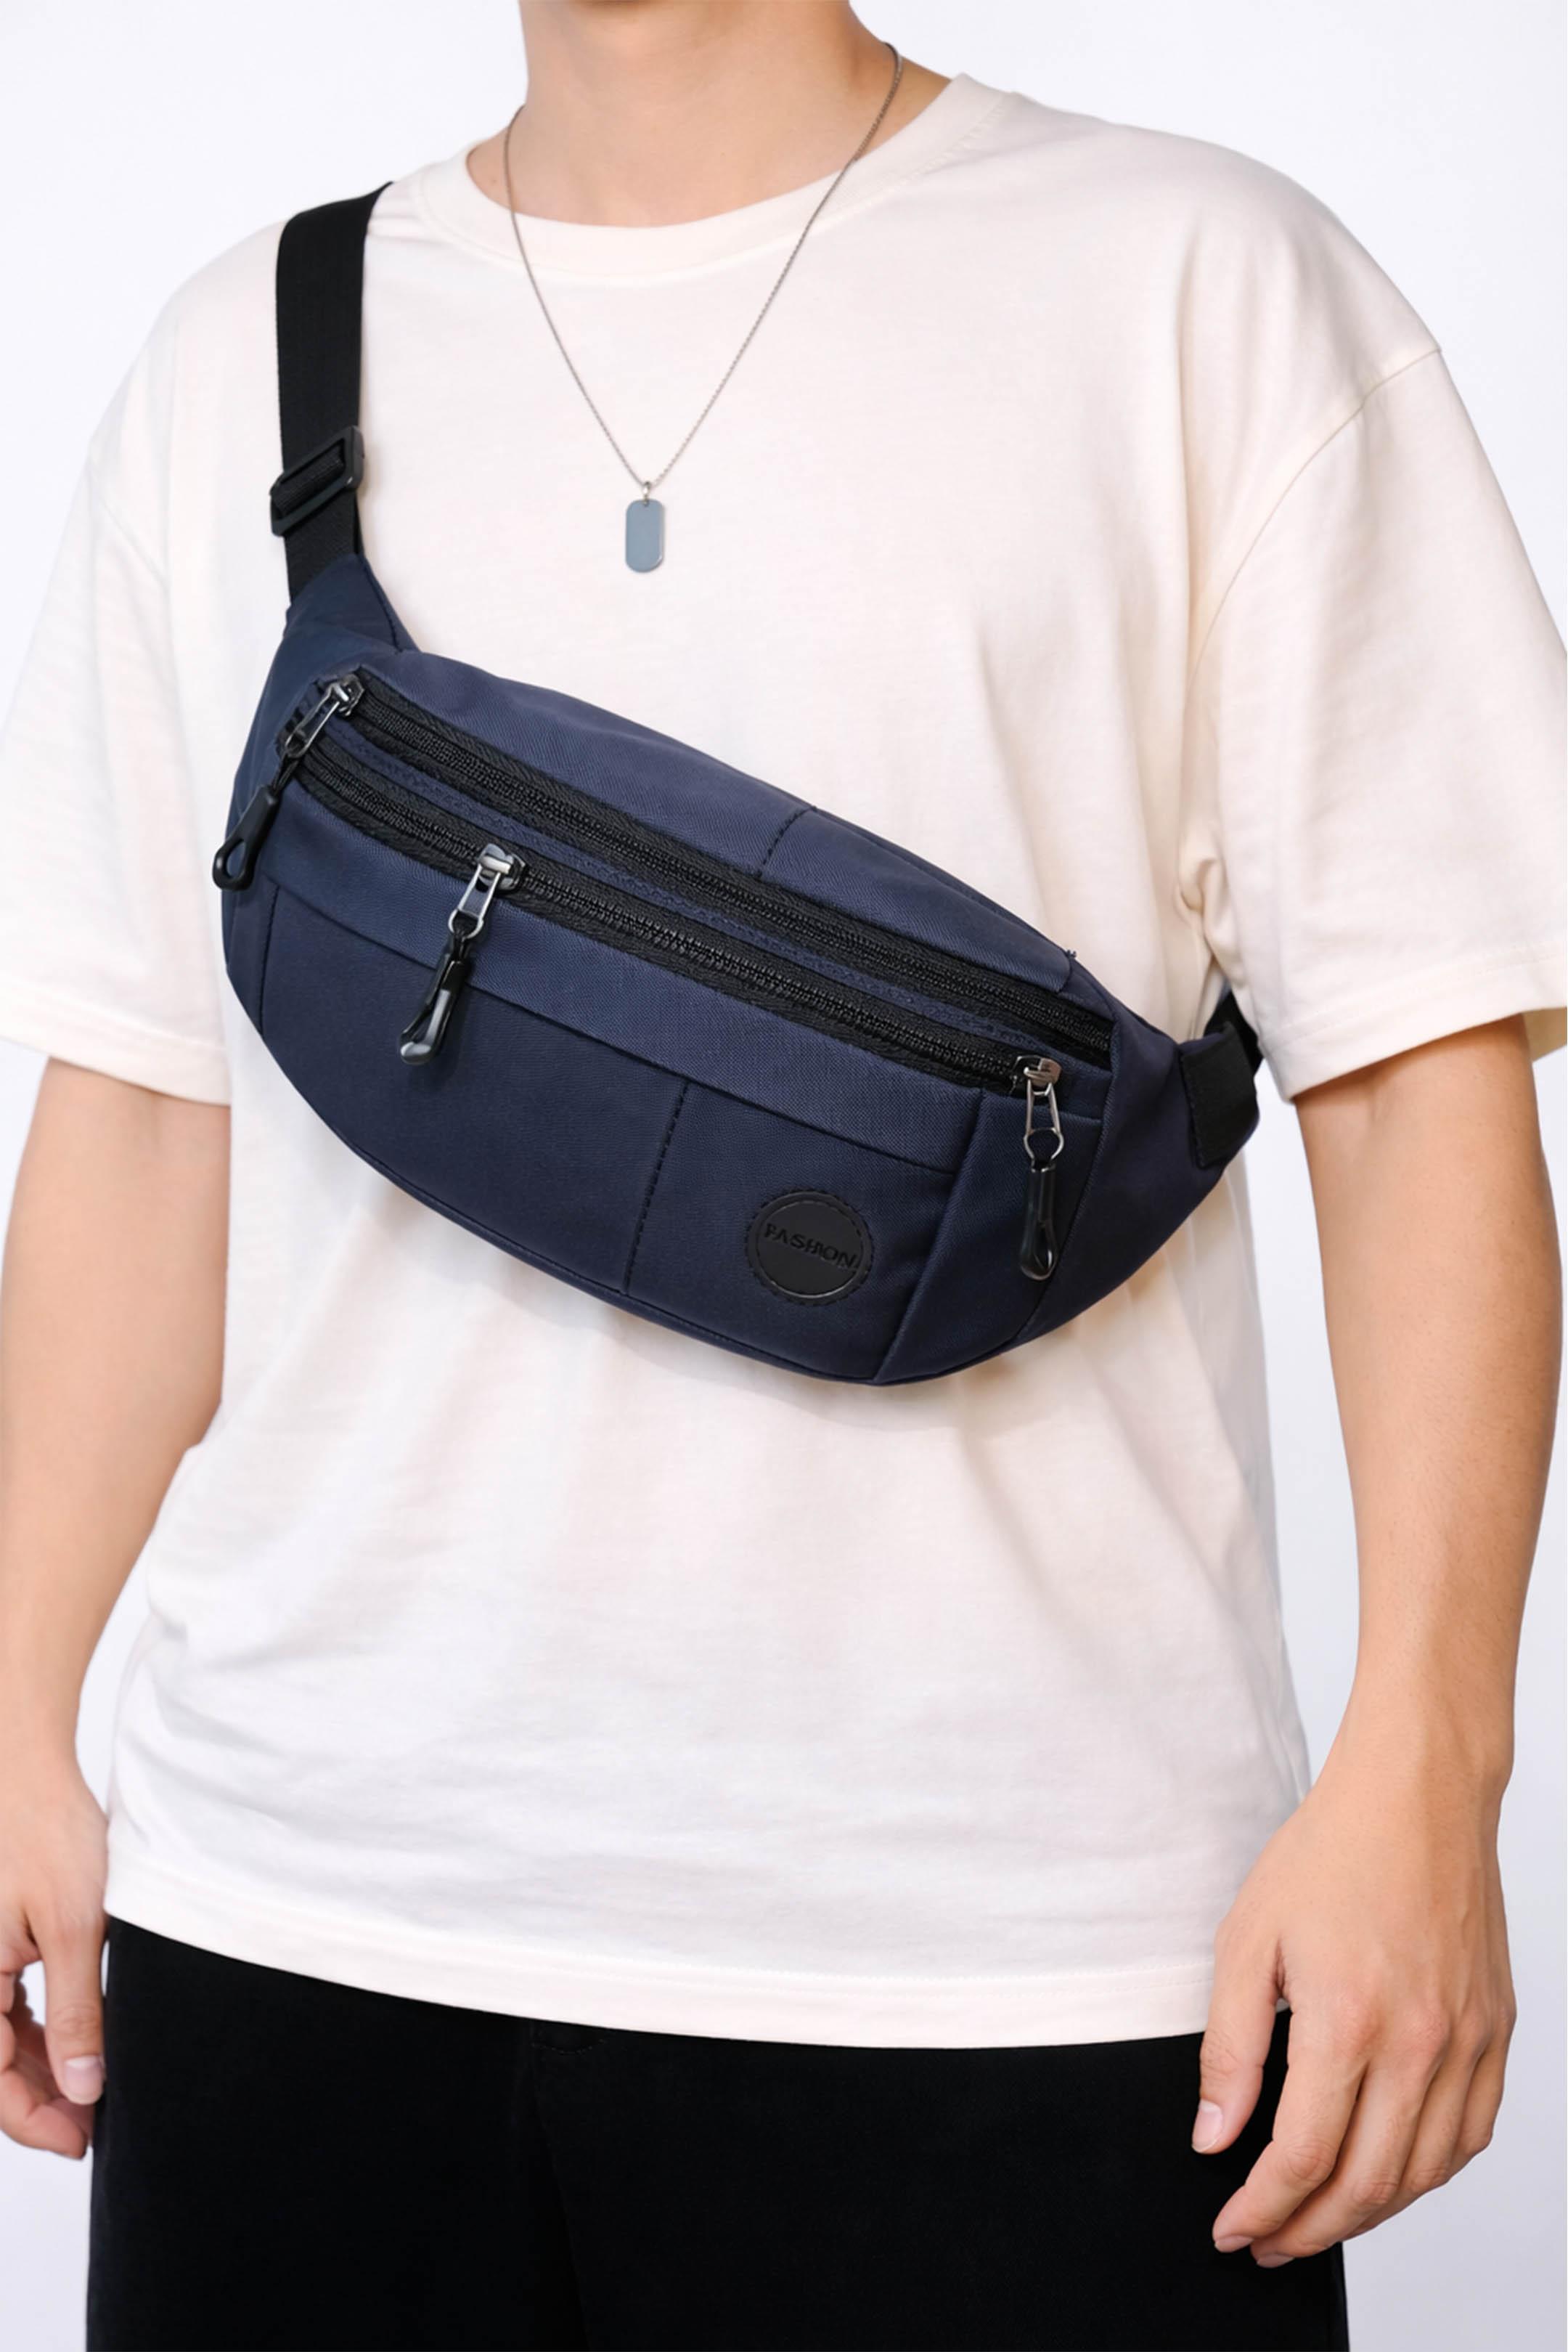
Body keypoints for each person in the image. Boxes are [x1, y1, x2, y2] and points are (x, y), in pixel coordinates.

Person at [0, 3, 1561, 2347]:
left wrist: (1432, 1777)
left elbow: (1419, 1086)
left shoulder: (1204, 283)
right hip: (300, 1924)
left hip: (1026, 1957)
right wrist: (12, 1707)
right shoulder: (247, 348)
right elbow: (145, 1110)